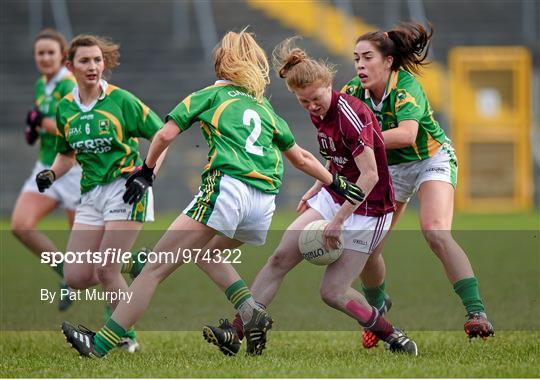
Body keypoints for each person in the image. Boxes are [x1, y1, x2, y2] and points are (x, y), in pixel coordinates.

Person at [60, 29, 364, 358]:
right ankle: (251, 310)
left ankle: (100, 344)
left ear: (219, 66)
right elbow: (302, 157)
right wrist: (334, 182)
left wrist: (146, 170)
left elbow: (163, 135)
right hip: (263, 204)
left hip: (227, 190)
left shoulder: (208, 96)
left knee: (155, 267)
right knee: (205, 253)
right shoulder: (262, 107)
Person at [204, 37, 418, 356]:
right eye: (304, 102)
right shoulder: (318, 110)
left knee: (332, 291)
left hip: (370, 207)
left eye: (316, 98)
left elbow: (371, 175)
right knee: (280, 257)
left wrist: (338, 220)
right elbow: (339, 155)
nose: (312, 107)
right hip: (339, 193)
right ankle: (237, 329)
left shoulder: (350, 114)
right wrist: (319, 186)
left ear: (328, 83)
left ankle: (391, 335)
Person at [341, 22, 494, 346]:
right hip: (388, 172)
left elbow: (408, 134)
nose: (360, 65)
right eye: (356, 59)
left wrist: (360, 141)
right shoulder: (352, 92)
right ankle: (378, 306)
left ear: (388, 61)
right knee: (368, 249)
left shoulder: (406, 86)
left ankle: (476, 312)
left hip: (430, 160)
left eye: (367, 57)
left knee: (435, 231)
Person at [36, 34, 164, 353]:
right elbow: (67, 154)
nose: (93, 66)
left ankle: (125, 337)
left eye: (97, 60)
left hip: (126, 189)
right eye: (85, 61)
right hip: (91, 193)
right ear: (71, 66)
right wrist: (52, 172)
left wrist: (147, 174)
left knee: (106, 269)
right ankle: (135, 261)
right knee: (77, 275)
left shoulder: (121, 100)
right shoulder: (66, 109)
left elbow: (162, 136)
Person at [11, 28, 80, 311]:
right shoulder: (43, 84)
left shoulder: (69, 84)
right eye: (40, 53)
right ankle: (67, 275)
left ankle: (126, 331)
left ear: (62, 56)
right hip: (47, 169)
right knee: (21, 226)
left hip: (74, 169)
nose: (45, 57)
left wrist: (41, 120)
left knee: (88, 253)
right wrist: (35, 126)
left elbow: (72, 129)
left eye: (51, 52)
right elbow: (45, 124)